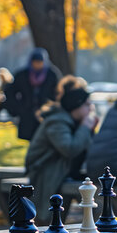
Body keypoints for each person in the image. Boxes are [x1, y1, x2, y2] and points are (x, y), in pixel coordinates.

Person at [25, 76, 96, 224]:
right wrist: (85, 127)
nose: (91, 108)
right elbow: (69, 149)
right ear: (77, 106)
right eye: (87, 104)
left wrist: (90, 129)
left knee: (98, 192)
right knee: (97, 199)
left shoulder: (73, 121)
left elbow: (90, 150)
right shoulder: (57, 121)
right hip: (46, 173)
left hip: (63, 171)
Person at [4, 48, 61, 140]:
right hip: (27, 115)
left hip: (46, 114)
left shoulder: (52, 75)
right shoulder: (22, 75)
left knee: (45, 138)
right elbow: (9, 91)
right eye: (35, 62)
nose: (38, 64)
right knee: (30, 140)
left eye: (40, 62)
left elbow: (58, 93)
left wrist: (52, 106)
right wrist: (18, 108)